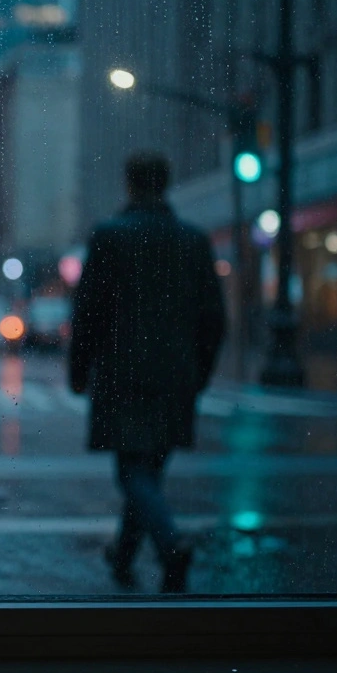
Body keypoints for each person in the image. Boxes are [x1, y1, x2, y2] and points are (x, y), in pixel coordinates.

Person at [69, 152, 226, 593]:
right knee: (149, 469)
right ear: (167, 181)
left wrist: (79, 369)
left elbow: (89, 313)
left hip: (122, 373)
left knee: (132, 472)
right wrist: (200, 371)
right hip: (177, 374)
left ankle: (170, 545)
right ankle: (123, 554)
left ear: (129, 183)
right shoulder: (193, 240)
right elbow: (214, 317)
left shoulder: (109, 237)